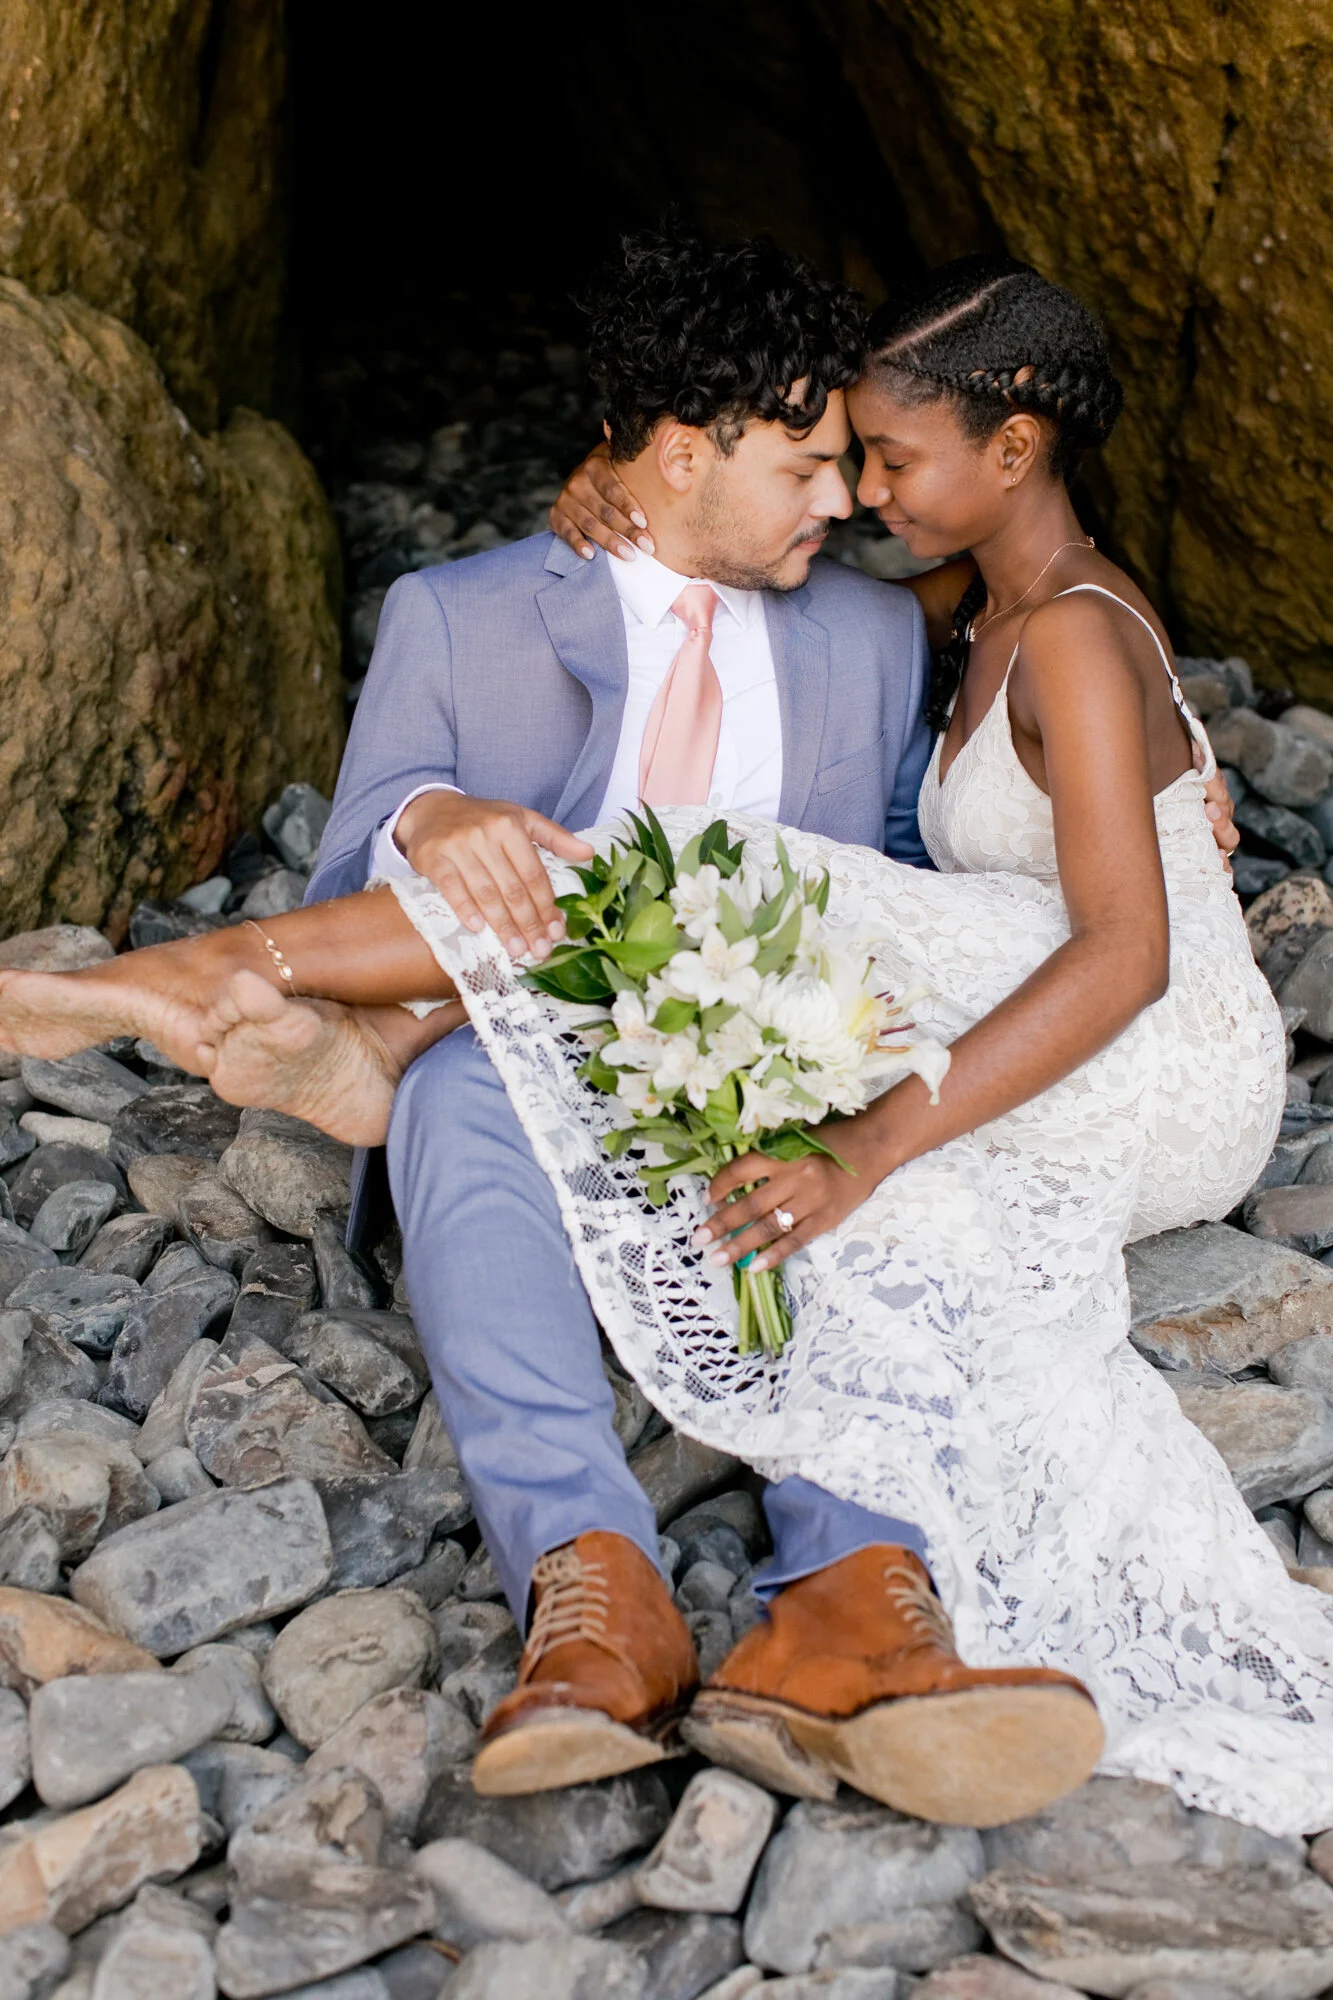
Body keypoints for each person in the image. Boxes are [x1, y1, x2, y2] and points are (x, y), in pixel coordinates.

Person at [5, 246, 1318, 1840]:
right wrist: (440, 818)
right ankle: (593, 1590)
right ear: (683, 450)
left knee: (857, 1152)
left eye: (865, 464)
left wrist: (1176, 801)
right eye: (812, 463)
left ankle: (851, 1594)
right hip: (547, 1037)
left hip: (798, 1046)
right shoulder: (463, 612)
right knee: (476, 1080)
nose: (843, 500)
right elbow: (361, 839)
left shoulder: (874, 630)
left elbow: (968, 848)